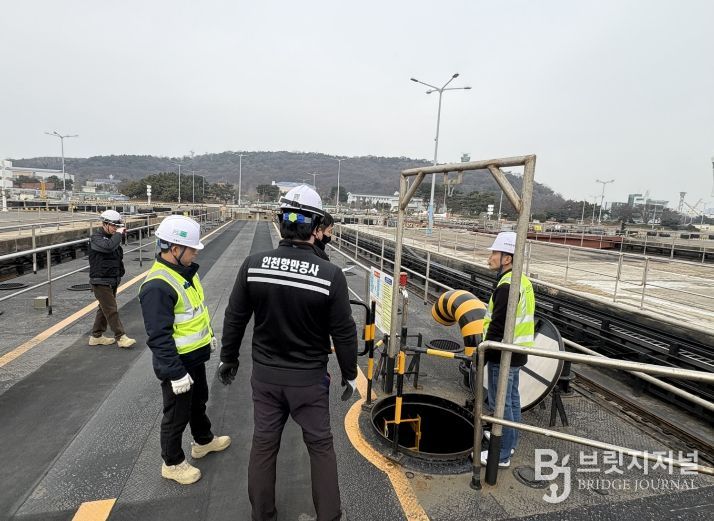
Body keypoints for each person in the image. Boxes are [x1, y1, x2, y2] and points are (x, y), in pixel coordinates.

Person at [219, 185, 357, 521]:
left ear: (281, 222)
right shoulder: (330, 275)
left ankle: (262, 515)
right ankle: (329, 516)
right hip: (309, 381)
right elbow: (344, 332)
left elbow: (235, 317)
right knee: (320, 447)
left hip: (266, 378)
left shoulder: (253, 265)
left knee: (264, 445)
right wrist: (350, 374)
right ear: (316, 227)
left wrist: (229, 358)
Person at [139, 215, 230, 485]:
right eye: (191, 249)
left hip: (194, 357)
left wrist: (208, 337)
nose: (195, 253)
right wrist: (175, 373)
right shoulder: (158, 286)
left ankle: (203, 440)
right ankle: (172, 463)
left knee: (198, 401)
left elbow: (195, 313)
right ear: (174, 248)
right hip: (177, 364)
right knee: (176, 414)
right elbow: (159, 336)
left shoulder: (186, 273)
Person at [480, 231, 535, 468]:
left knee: (500, 402)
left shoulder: (506, 286)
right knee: (511, 399)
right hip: (517, 351)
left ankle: (501, 454)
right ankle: (509, 442)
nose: (490, 257)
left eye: (495, 252)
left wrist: (482, 355)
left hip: (502, 353)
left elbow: (497, 327)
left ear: (507, 258)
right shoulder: (523, 281)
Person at [88, 210, 136, 348]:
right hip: (100, 280)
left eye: (117, 226)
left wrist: (119, 275)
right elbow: (108, 248)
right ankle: (121, 337)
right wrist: (119, 234)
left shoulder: (113, 239)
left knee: (104, 308)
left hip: (111, 279)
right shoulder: (96, 238)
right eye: (114, 225)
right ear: (105, 224)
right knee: (111, 309)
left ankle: (96, 336)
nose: (116, 228)